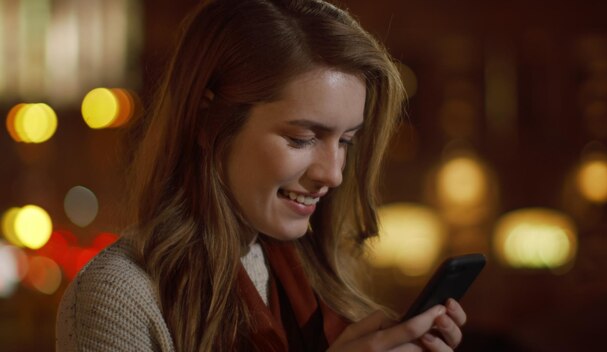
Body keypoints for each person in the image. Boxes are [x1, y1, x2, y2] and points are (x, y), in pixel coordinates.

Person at [56, 0, 468, 351]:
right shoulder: (118, 295)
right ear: (208, 121)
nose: (334, 174)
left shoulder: (315, 282)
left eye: (346, 141)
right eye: (302, 138)